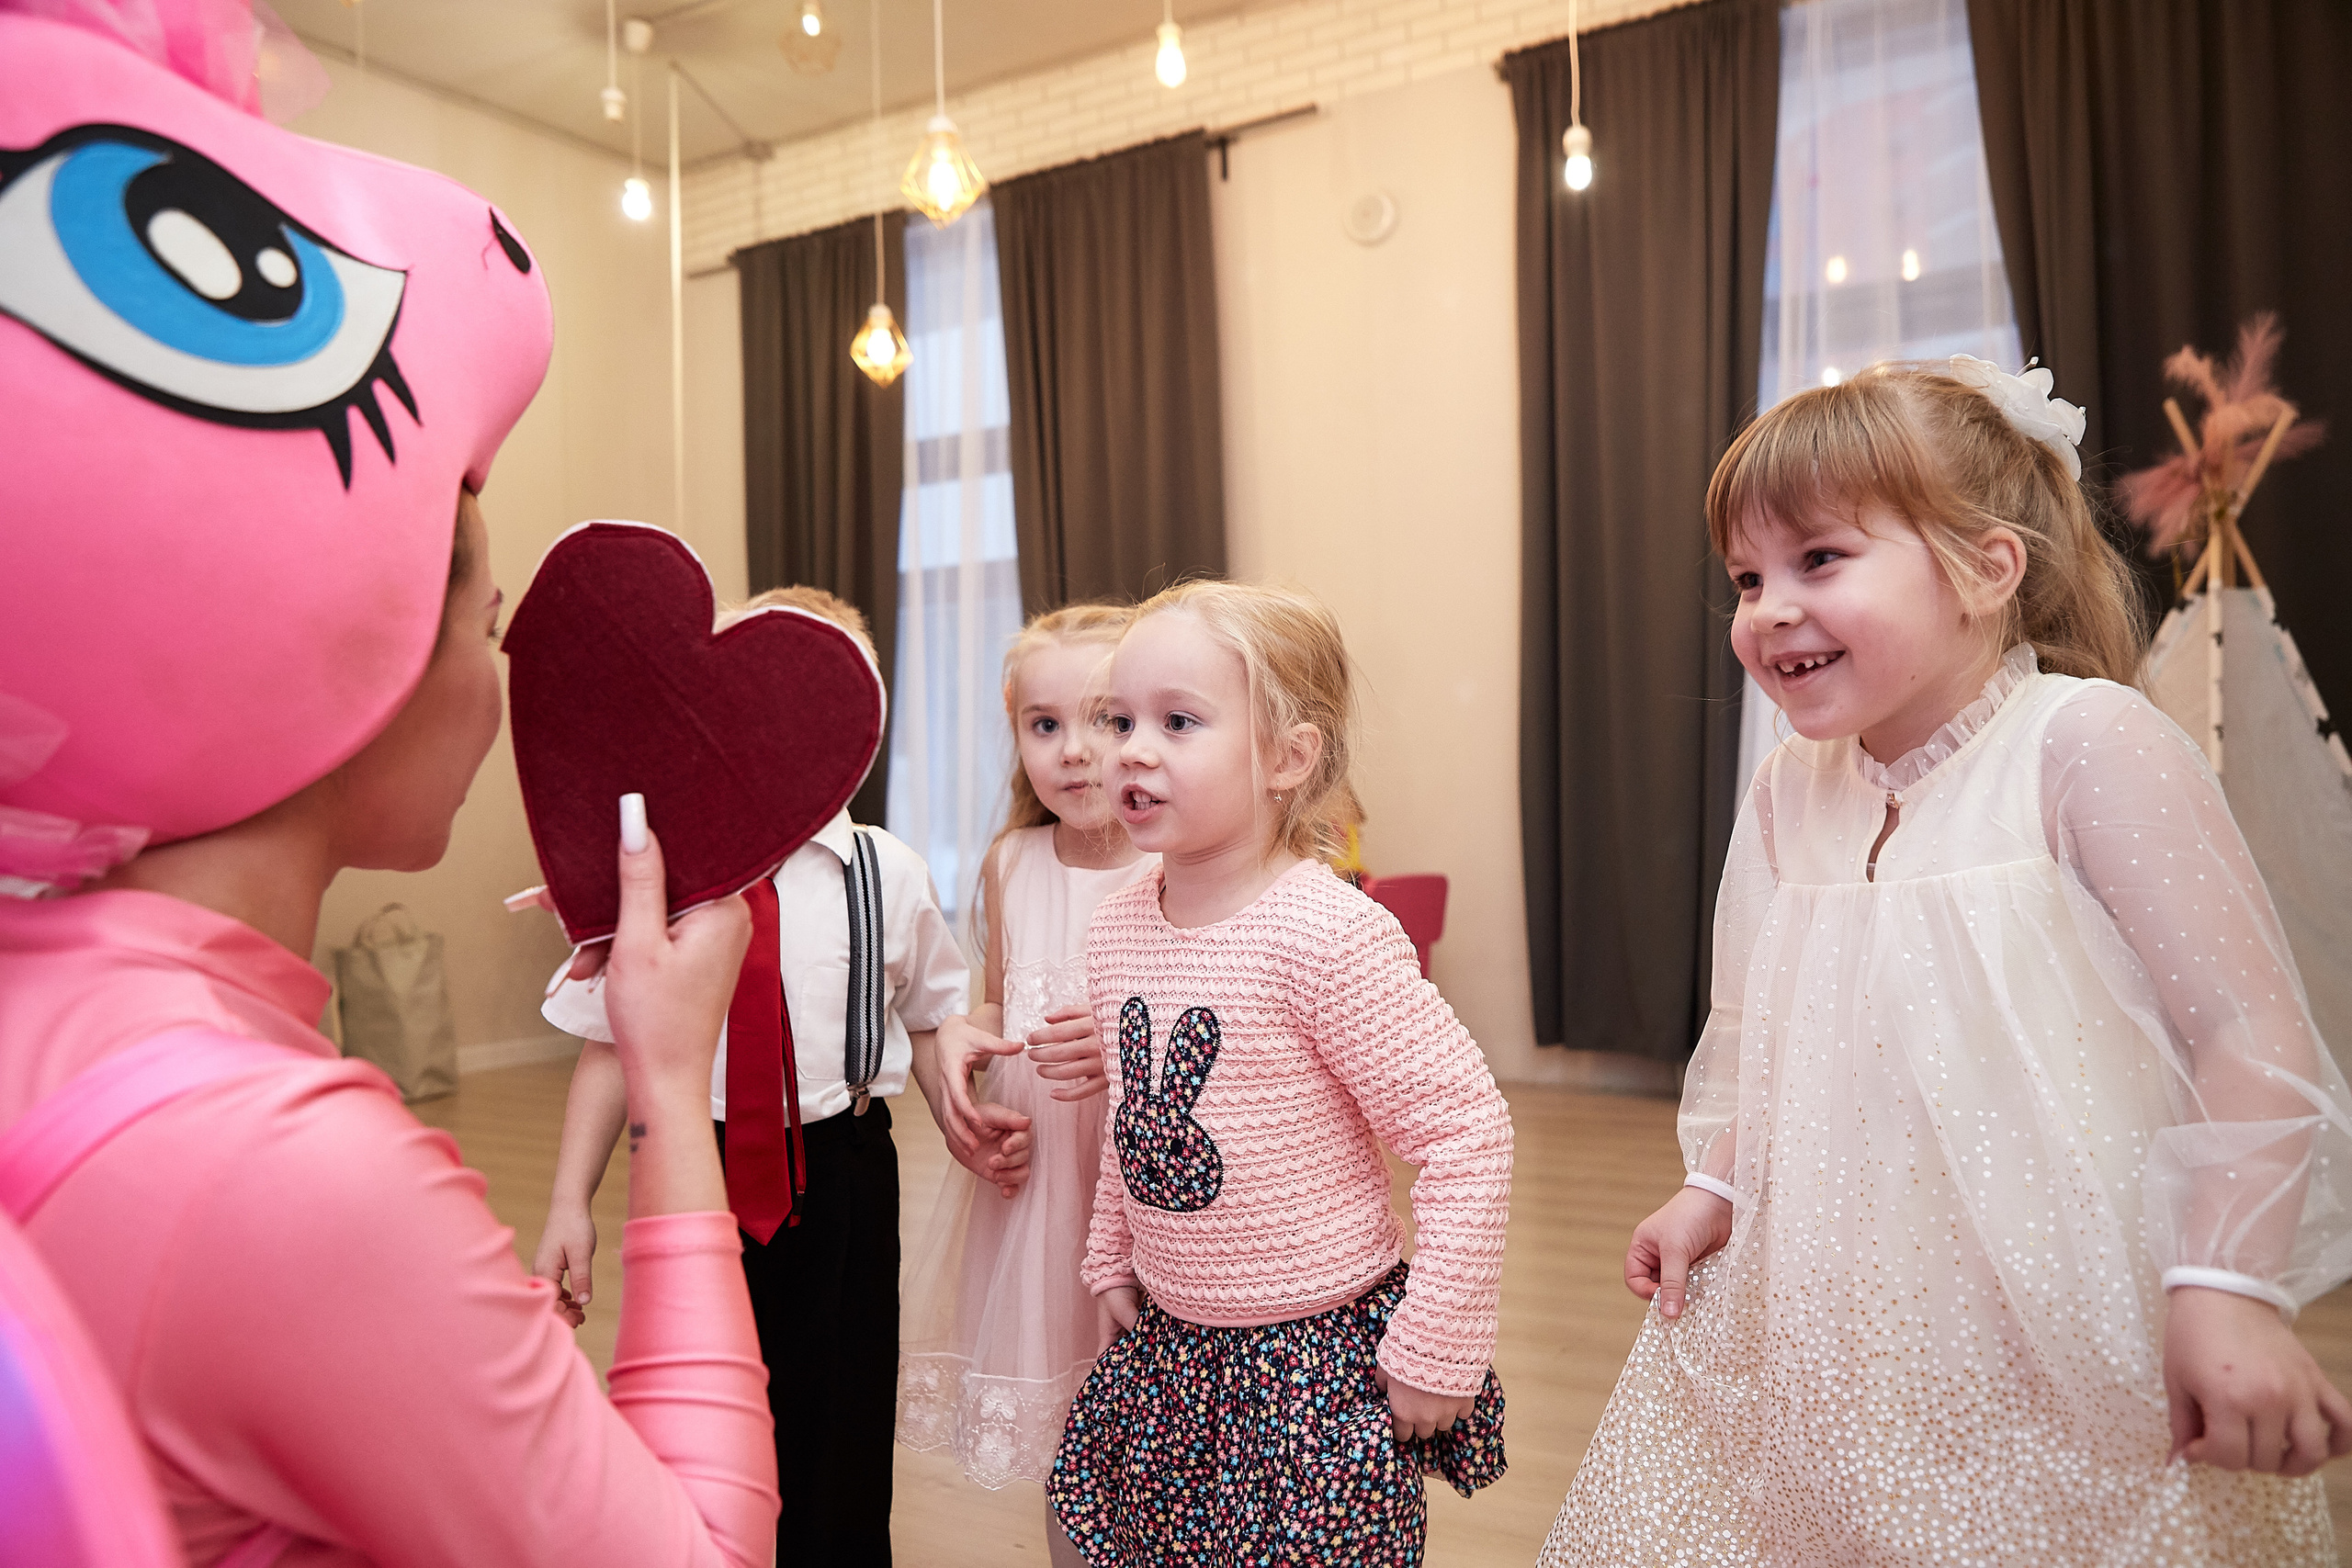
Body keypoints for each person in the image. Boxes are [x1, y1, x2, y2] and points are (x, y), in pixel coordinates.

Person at [0, 5, 779, 1561]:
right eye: (485, 623)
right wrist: (673, 1089)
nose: (498, 684)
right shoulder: (280, 1173)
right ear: (360, 634)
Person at [1540, 358, 2352, 1567]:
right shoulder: (1787, 790)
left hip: (2049, 1311)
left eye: (1819, 559)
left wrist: (2224, 1282)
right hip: (1830, 1313)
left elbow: (2248, 1033)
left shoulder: (2088, 746)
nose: (1767, 607)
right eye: (1747, 577)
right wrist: (1718, 1187)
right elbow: (1765, 1031)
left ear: (1988, 567)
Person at [1049, 581, 1515, 1565]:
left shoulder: (1326, 936)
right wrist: (1109, 1253)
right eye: (1118, 719)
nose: (1128, 750)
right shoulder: (1120, 925)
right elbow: (1140, 1112)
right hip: (1174, 1349)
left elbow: (1466, 1134)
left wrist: (1440, 1344)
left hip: (1310, 1364)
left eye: (1177, 722)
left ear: (1287, 757)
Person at [537, 586, 969, 1568]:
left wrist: (960, 1103)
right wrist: (570, 1198)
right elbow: (610, 1044)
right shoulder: (657, 879)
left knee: (842, 1417)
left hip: (843, 1172)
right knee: (704, 1402)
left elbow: (933, 1015)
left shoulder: (887, 872)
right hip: (690, 1173)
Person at [897, 603, 1157, 1565]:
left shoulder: (1174, 864)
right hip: (1043, 1192)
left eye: (1108, 720)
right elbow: (1002, 1004)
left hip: (1144, 1191)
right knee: (1068, 1429)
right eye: (1046, 725)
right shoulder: (1011, 863)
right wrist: (967, 1036)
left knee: (1160, 1422)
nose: (1077, 752)